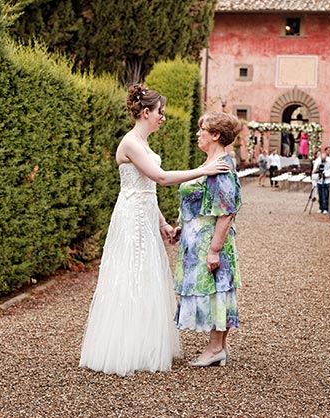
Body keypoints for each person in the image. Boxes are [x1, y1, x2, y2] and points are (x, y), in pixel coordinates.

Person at [79, 84, 230, 376]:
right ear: (146, 112)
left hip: (145, 216)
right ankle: (125, 348)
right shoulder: (131, 143)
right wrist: (203, 170)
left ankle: (145, 343)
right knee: (130, 274)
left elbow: (146, 189)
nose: (163, 117)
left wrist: (162, 223)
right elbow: (160, 178)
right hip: (130, 219)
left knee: (148, 275)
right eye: (160, 112)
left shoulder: (143, 143)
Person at [172, 111, 242, 367]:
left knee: (217, 289)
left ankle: (215, 349)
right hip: (197, 237)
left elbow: (226, 212)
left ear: (215, 135)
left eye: (203, 130)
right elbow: (200, 201)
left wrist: (214, 250)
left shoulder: (221, 166)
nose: (198, 134)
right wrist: (183, 226)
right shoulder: (211, 163)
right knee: (216, 290)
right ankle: (218, 348)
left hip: (209, 241)